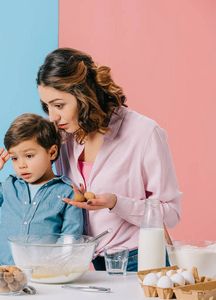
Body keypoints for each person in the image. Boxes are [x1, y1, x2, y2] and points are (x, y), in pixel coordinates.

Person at [36, 48, 182, 271]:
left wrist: (116, 203)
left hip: (141, 261)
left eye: (59, 105)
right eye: (46, 106)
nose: (52, 117)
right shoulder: (65, 136)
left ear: (84, 95)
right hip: (92, 264)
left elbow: (171, 214)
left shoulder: (144, 133)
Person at [0, 113, 83, 265]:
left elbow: (70, 240)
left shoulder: (67, 193)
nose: (21, 165)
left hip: (47, 272)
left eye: (29, 155)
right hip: (8, 269)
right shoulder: (10, 185)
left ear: (52, 152)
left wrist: (55, 263)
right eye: (15, 158)